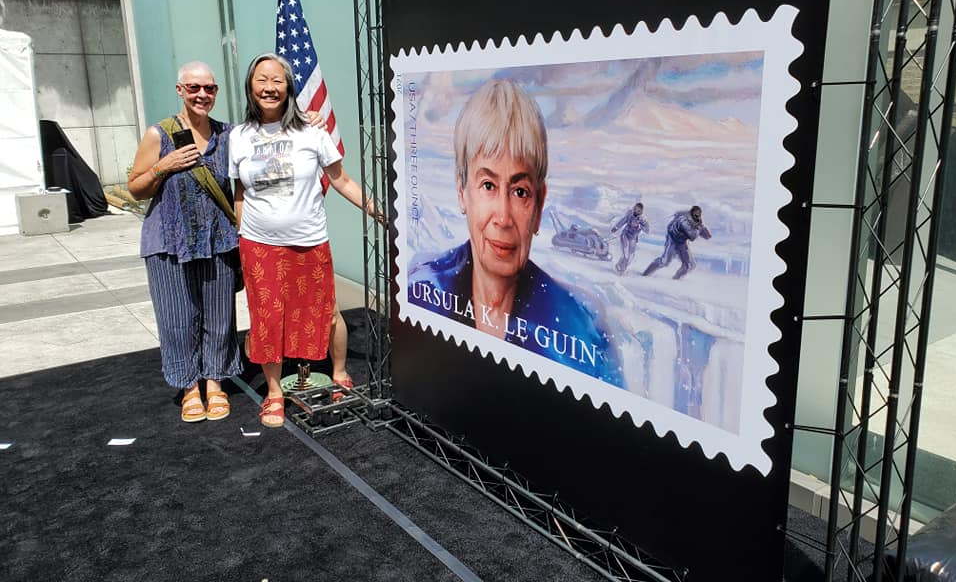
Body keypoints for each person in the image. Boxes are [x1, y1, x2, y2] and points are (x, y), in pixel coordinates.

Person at [407, 78, 623, 387]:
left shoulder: (582, 331)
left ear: (539, 205)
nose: (504, 217)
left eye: (520, 191)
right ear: (461, 192)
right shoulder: (423, 290)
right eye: (488, 185)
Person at [230, 53, 382, 428]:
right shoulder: (239, 136)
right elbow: (239, 192)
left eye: (277, 80)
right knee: (267, 318)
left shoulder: (313, 132)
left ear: (289, 86)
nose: (269, 87)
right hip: (259, 245)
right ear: (251, 87)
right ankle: (275, 394)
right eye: (262, 79)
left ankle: (340, 371)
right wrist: (241, 235)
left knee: (326, 311)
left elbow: (341, 178)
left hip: (309, 241)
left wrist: (375, 208)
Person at [128, 61, 241, 423]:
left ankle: (215, 381)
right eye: (194, 88)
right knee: (177, 318)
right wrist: (165, 165)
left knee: (220, 316)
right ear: (180, 90)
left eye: (208, 88)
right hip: (169, 241)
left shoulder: (228, 135)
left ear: (216, 92)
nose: (201, 95)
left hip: (218, 239)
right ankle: (188, 385)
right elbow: (135, 188)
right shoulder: (158, 135)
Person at [642, 205, 712, 280]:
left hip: (682, 242)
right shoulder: (683, 220)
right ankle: (645, 274)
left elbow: (707, 236)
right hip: (672, 240)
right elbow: (692, 236)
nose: (697, 216)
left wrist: (701, 226)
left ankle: (676, 279)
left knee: (689, 265)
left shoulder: (697, 220)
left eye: (698, 214)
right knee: (665, 261)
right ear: (691, 213)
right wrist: (699, 227)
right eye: (695, 214)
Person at [611, 201, 650, 275]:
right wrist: (616, 227)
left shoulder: (643, 219)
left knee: (631, 256)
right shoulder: (630, 214)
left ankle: (621, 266)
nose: (636, 211)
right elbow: (623, 221)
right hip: (625, 235)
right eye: (635, 209)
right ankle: (620, 269)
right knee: (625, 254)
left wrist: (639, 226)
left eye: (638, 210)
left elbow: (647, 230)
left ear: (641, 211)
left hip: (633, 238)